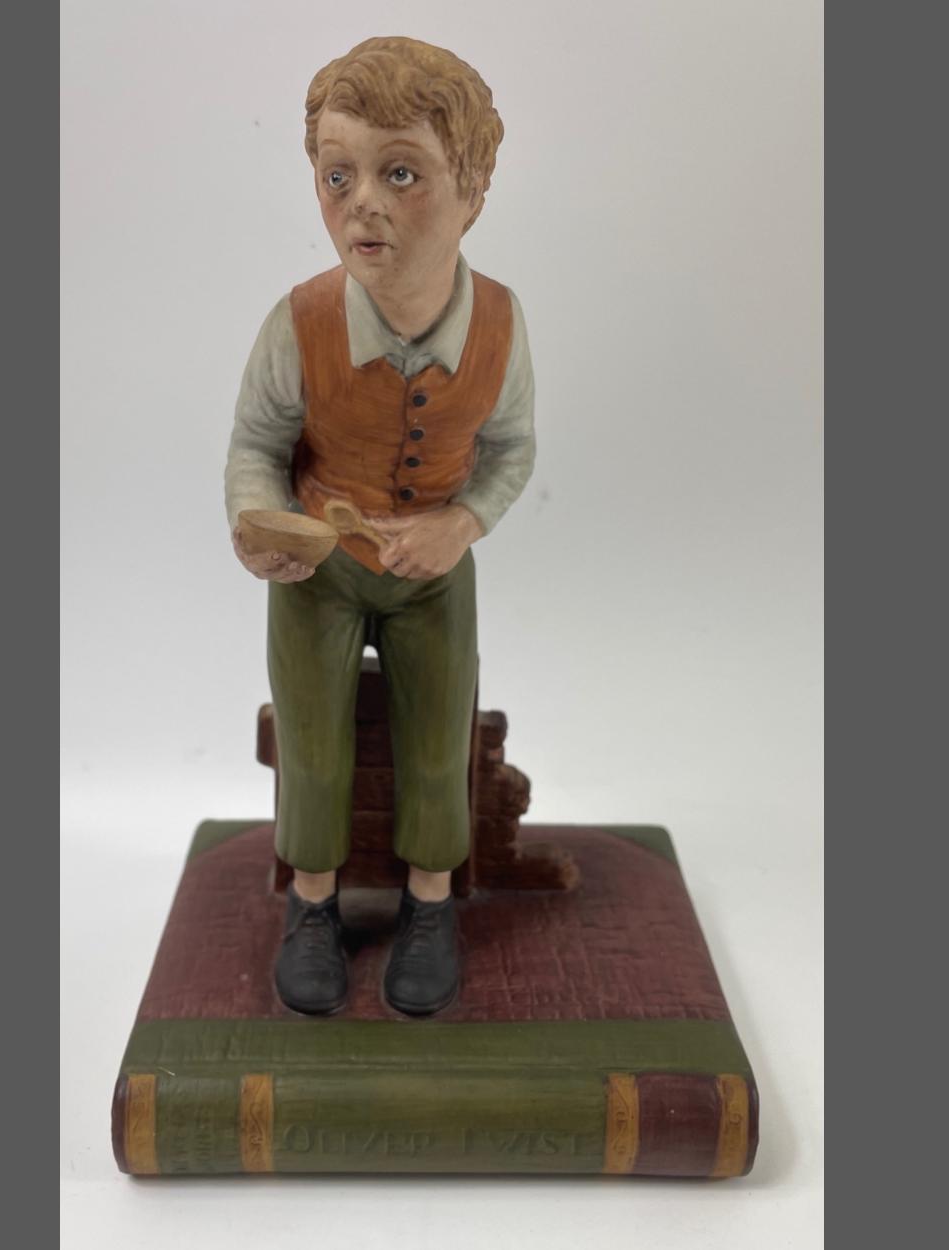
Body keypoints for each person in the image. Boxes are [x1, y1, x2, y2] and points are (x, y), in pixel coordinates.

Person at [224, 36, 535, 1017]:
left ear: (472, 189)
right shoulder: (299, 323)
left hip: (431, 575)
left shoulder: (499, 326)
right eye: (337, 175)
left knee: (438, 738)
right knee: (311, 738)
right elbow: (256, 443)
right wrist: (258, 523)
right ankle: (311, 903)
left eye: (400, 173)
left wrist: (461, 523)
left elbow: (511, 450)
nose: (362, 202)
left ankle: (430, 903)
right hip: (317, 571)